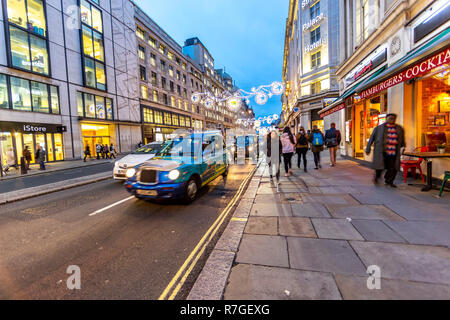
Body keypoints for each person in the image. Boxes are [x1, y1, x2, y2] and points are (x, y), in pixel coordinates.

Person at [366, 113, 405, 188]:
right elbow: (371, 139)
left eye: (393, 118)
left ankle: (389, 181)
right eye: (390, 118)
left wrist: (403, 147)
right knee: (380, 167)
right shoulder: (379, 128)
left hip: (394, 152)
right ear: (386, 118)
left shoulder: (399, 128)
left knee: (393, 168)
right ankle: (377, 177)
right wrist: (368, 148)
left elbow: (402, 139)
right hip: (382, 151)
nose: (392, 120)